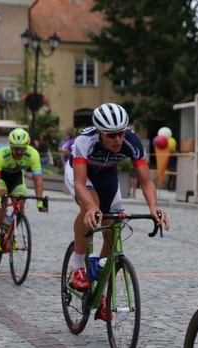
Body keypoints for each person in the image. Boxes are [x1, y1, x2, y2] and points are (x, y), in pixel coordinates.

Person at [64, 103, 169, 321]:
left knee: (115, 223)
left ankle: (101, 295)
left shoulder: (131, 140)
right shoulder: (85, 140)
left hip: (107, 176)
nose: (118, 139)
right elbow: (81, 183)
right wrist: (91, 207)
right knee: (91, 204)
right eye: (111, 135)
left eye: (121, 133)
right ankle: (78, 267)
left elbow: (146, 181)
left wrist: (153, 208)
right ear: (100, 132)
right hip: (82, 175)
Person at [0, 128, 47, 253]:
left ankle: (9, 231)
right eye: (15, 148)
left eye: (22, 148)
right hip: (0, 178)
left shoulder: (33, 154)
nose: (19, 151)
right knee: (1, 202)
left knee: (20, 207)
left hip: (17, 177)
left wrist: (39, 201)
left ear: (27, 146)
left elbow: (38, 179)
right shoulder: (0, 155)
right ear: (10, 146)